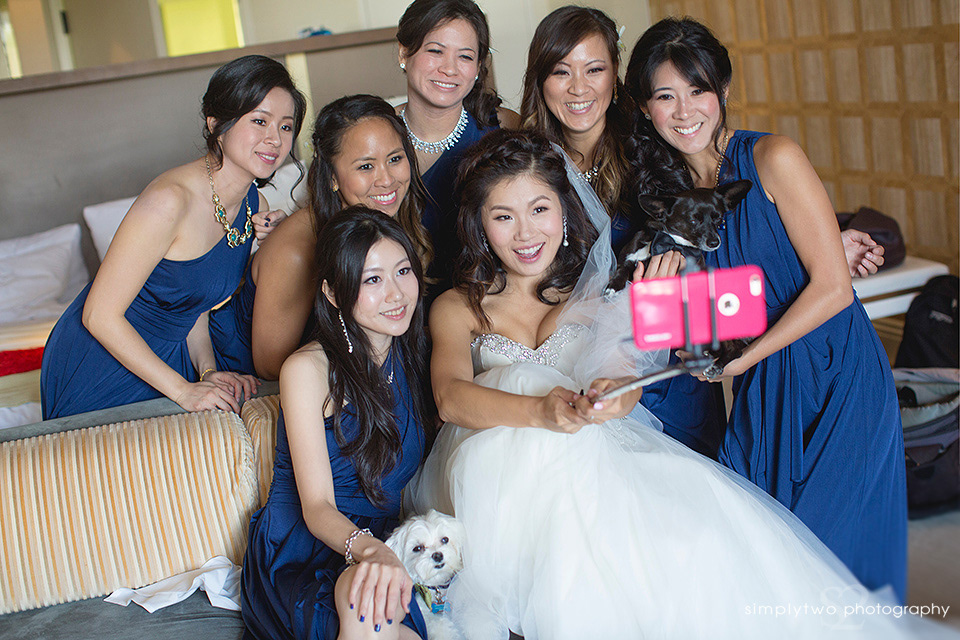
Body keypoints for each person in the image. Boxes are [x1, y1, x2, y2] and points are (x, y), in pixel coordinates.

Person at [404, 129, 922, 639]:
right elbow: (450, 397)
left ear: (563, 212)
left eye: (539, 209)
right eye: (503, 216)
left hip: (598, 462)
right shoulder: (458, 307)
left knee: (700, 547)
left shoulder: (604, 288)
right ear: (480, 225)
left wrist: (611, 398)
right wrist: (542, 411)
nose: (525, 233)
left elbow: (630, 372)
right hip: (493, 483)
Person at [519, 5, 886, 459]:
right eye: (561, 71)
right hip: (598, 358)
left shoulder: (662, 160)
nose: (579, 87)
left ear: (616, 79)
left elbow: (727, 257)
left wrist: (816, 252)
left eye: (594, 69)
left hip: (739, 365)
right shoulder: (538, 165)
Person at [625, 17, 907, 601]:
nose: (685, 111)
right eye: (666, 96)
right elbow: (705, 315)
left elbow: (833, 289)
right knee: (767, 563)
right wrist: (664, 305)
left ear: (724, 90)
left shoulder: (773, 157)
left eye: (698, 90)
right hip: (760, 387)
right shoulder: (666, 200)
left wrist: (743, 358)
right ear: (646, 109)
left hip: (835, 372)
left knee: (835, 563)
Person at [41, 55, 306, 419]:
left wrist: (208, 372)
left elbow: (192, 303)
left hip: (172, 360)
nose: (274, 139)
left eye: (286, 126)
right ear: (217, 123)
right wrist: (183, 390)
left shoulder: (252, 204)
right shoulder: (169, 201)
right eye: (259, 121)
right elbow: (99, 315)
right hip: (103, 360)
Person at [242, 208, 429, 639]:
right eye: (372, 280)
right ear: (332, 292)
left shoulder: (411, 353)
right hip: (308, 549)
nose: (396, 293)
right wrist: (373, 552)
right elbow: (317, 507)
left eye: (403, 271)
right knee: (370, 606)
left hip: (381, 544)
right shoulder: (307, 369)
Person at [209, 94, 430, 380]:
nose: (387, 179)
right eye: (365, 166)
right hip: (247, 381)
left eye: (395, 159)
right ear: (332, 177)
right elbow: (270, 366)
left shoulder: (385, 224)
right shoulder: (297, 252)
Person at [395, 0, 518, 299]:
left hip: (485, 305)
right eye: (435, 51)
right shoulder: (375, 132)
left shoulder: (503, 128)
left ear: (478, 67)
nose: (449, 69)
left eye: (465, 56)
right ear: (403, 53)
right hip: (394, 308)